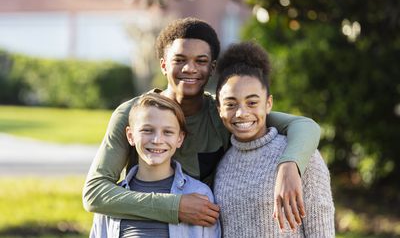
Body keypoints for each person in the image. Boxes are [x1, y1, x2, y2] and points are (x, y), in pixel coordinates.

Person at [83, 17, 321, 229]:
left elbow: (304, 126)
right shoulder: (134, 114)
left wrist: (290, 166)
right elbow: (95, 193)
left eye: (201, 60)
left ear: (212, 68)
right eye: (180, 60)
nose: (190, 68)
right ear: (164, 64)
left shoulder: (226, 112)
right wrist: (175, 207)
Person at [213, 42, 334, 237]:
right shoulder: (222, 164)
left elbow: (321, 232)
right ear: (219, 110)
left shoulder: (303, 157)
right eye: (231, 104)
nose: (241, 113)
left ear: (268, 104)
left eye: (252, 102)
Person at [90, 93, 220, 237]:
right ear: (130, 136)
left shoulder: (200, 194)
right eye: (147, 130)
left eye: (168, 132)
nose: (157, 140)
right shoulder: (111, 202)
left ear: (180, 138)